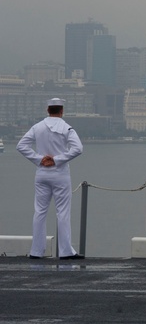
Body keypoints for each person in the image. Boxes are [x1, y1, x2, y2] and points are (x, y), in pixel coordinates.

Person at [17, 98, 85, 260]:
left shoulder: (37, 127)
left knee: (40, 211)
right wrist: (58, 159)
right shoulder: (66, 128)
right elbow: (78, 149)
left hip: (41, 173)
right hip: (60, 174)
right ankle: (66, 251)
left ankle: (36, 251)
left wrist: (39, 159)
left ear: (48, 110)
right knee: (62, 213)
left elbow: (21, 146)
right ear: (61, 111)